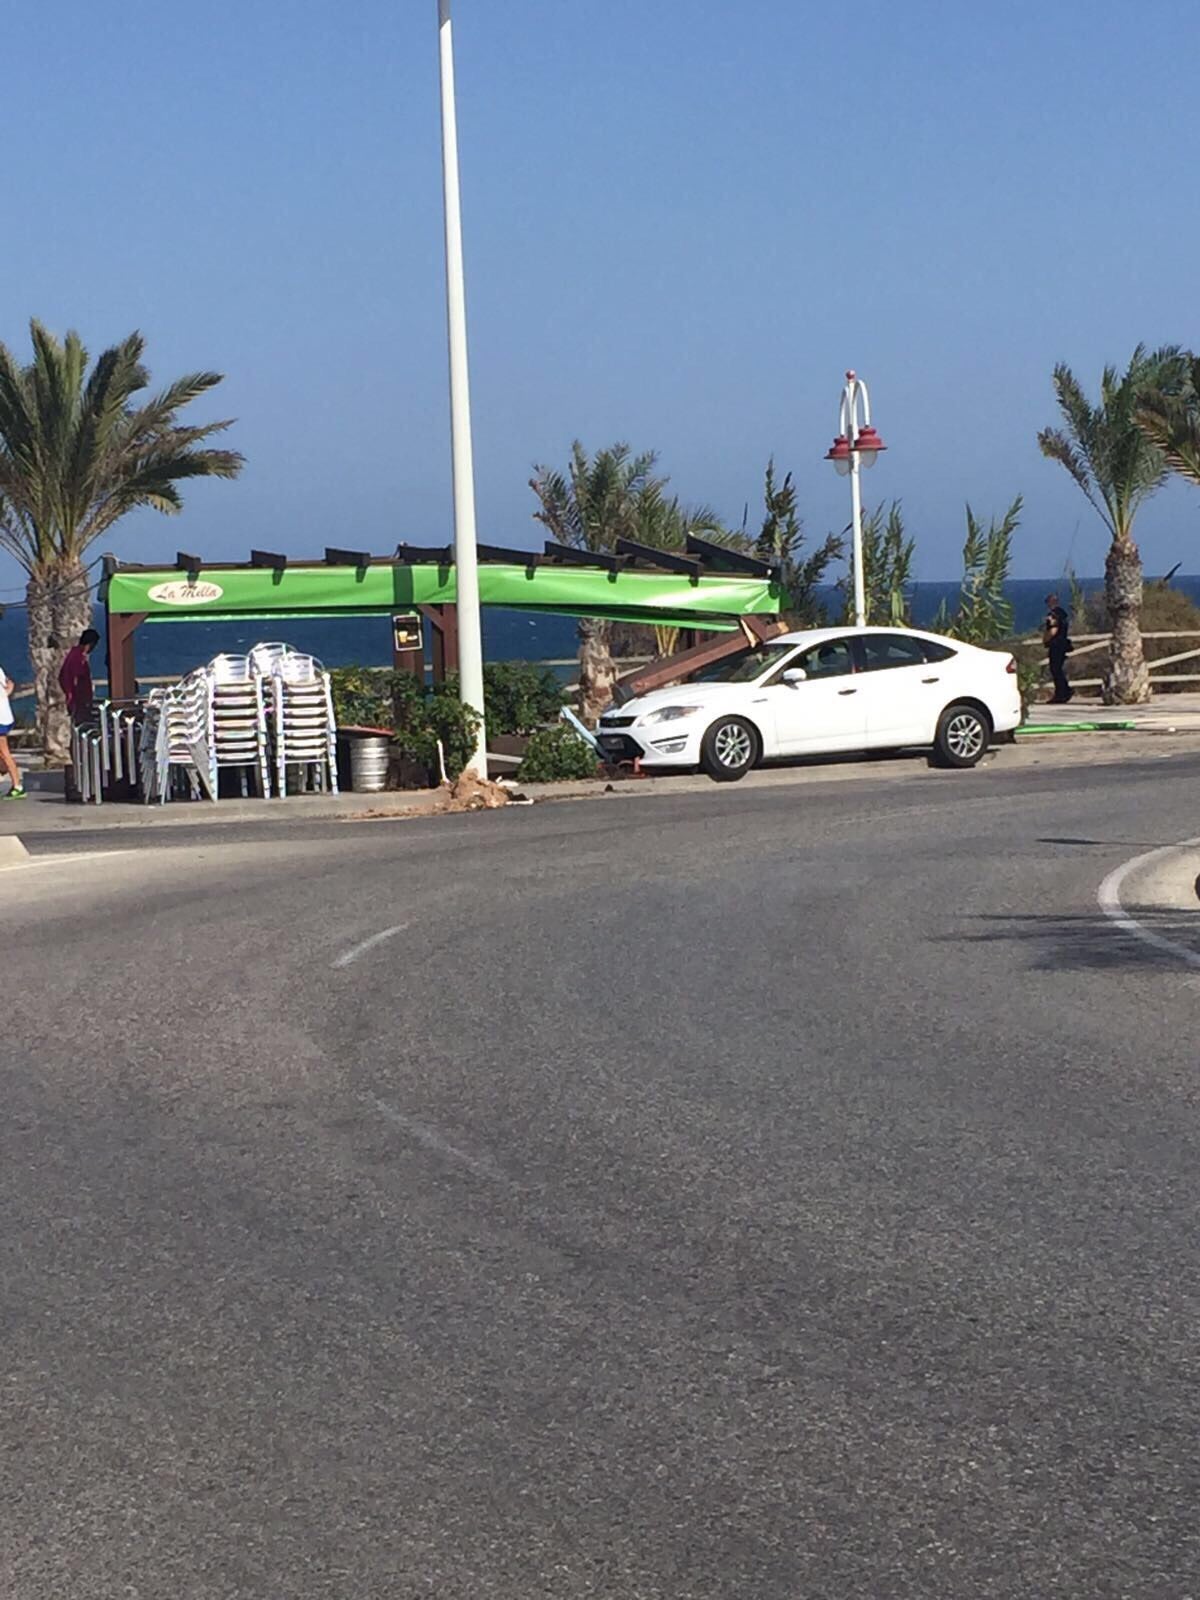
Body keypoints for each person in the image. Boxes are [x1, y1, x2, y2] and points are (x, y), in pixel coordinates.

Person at [59, 627, 99, 724]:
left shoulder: (76, 655)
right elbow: (75, 678)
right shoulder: (78, 657)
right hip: (79, 702)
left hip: (78, 701)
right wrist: (74, 696)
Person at [0, 664, 25, 798]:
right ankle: (3, 772)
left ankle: (17, 786)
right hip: (4, 715)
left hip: (0, 718)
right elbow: (9, 686)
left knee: (4, 752)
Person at [1043, 592, 1073, 704]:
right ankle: (1064, 691)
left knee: (1055, 669)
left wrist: (1045, 639)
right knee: (1058, 670)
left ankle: (1062, 693)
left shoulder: (1053, 615)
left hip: (1056, 645)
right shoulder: (1063, 614)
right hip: (1063, 644)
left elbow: (1053, 630)